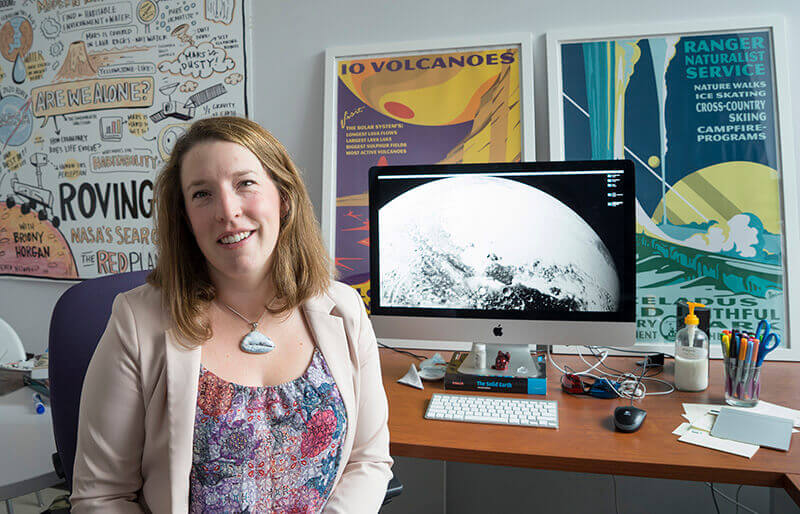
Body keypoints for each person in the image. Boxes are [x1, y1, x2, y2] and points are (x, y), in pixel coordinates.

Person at [71, 116, 393, 513]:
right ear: (186, 219)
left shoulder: (343, 310)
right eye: (202, 194)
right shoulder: (137, 322)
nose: (228, 210)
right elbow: (101, 497)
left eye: (245, 183)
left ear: (284, 196)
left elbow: (368, 460)